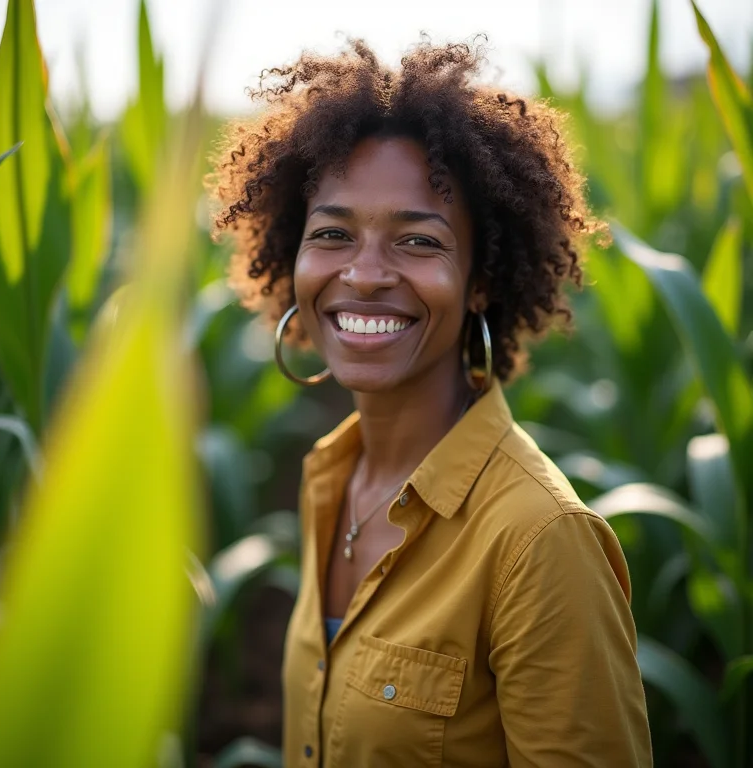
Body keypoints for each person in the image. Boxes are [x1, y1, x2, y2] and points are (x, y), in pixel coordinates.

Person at [209, 38, 653, 768]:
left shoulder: (539, 542)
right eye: (332, 234)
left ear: (480, 280)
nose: (366, 274)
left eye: (418, 240)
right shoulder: (335, 479)